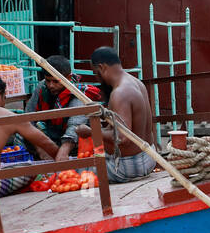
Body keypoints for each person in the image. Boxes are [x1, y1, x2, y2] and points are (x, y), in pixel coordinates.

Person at [89, 46, 156, 183]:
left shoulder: (119, 93)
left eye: (96, 73)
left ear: (101, 68)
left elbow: (123, 138)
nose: (98, 78)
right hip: (149, 157)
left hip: (129, 167)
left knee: (73, 171)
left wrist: (91, 131)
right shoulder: (136, 82)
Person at [23, 55, 94, 161]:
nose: (51, 85)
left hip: (72, 143)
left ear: (68, 78)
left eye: (56, 81)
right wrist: (41, 149)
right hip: (49, 138)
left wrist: (63, 151)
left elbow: (74, 125)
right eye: (48, 80)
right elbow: (28, 119)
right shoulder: (42, 87)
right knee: (21, 135)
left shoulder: (79, 94)